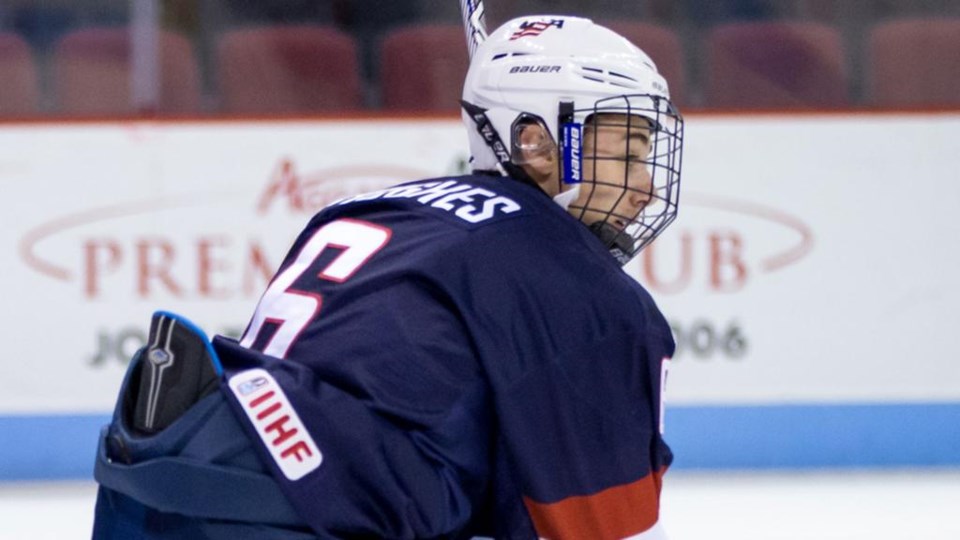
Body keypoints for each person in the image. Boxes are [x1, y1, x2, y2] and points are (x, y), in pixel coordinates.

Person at [91, 14, 684, 539]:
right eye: (626, 154)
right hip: (301, 511)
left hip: (168, 455)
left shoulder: (376, 208)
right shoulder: (577, 282)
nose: (648, 185)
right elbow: (603, 526)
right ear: (534, 145)